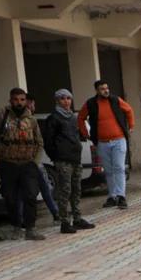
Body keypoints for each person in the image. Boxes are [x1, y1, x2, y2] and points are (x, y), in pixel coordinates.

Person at [0, 87, 45, 240]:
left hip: (27, 164)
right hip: (8, 163)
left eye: (22, 100)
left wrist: (35, 161)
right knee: (10, 197)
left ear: (26, 101)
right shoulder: (1, 115)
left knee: (31, 196)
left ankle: (30, 229)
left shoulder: (31, 119)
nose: (19, 103)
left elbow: (39, 142)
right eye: (16, 100)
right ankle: (16, 226)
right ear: (11, 100)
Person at [42, 89, 95, 234]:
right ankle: (64, 221)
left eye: (68, 98)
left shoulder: (73, 117)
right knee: (65, 190)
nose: (66, 101)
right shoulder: (53, 118)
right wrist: (56, 156)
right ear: (57, 101)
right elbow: (48, 141)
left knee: (76, 189)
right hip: (62, 160)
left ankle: (77, 218)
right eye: (63, 99)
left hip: (75, 158)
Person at [78, 79, 133, 209]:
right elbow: (80, 118)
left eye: (107, 88)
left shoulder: (115, 100)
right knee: (108, 170)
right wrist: (85, 133)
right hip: (102, 142)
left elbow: (129, 110)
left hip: (119, 140)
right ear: (97, 91)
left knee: (119, 167)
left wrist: (131, 126)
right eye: (102, 89)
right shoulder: (91, 103)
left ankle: (121, 196)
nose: (106, 90)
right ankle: (112, 196)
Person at [26, 93, 60, 225]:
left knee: (46, 187)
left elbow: (40, 142)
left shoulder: (32, 119)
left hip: (35, 160)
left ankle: (55, 213)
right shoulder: (21, 120)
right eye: (32, 104)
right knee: (32, 190)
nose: (34, 107)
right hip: (25, 161)